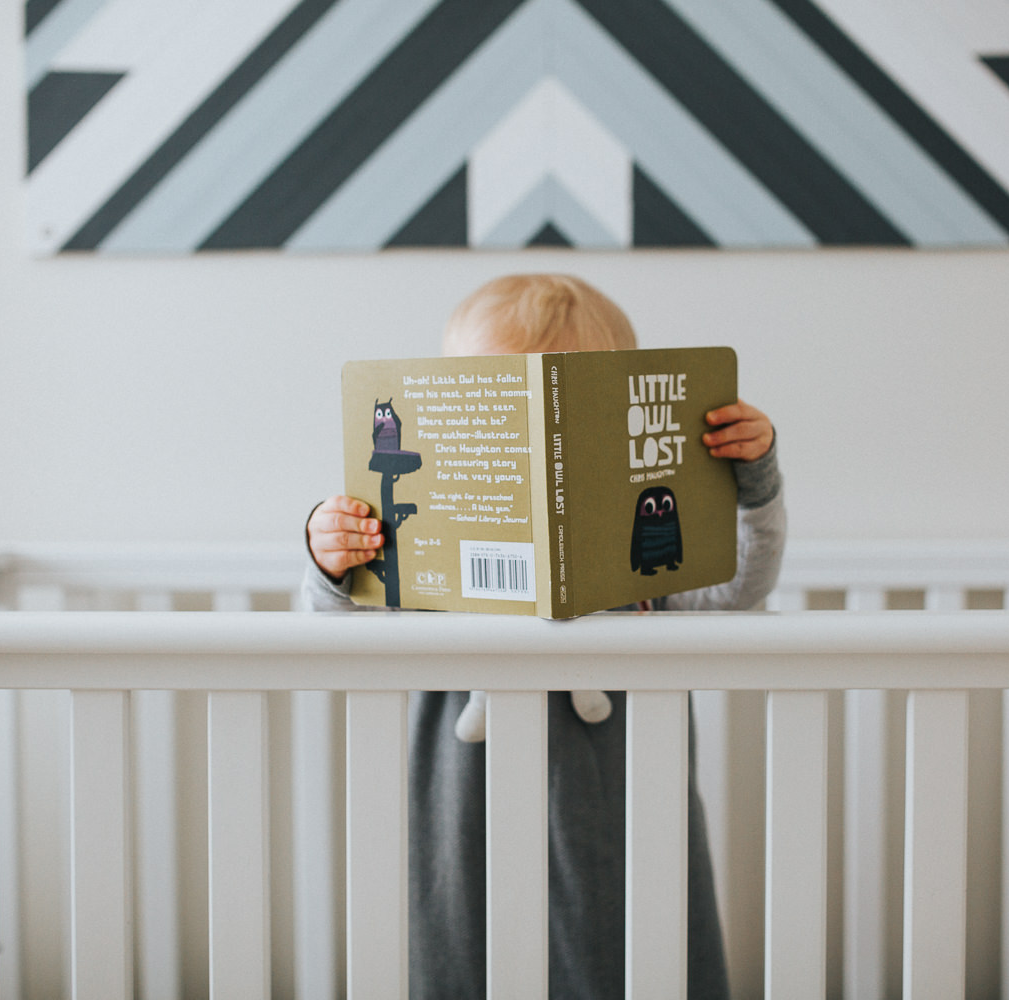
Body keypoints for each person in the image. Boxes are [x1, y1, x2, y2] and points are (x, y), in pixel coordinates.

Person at [301, 273, 786, 1000]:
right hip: (464, 797)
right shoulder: (420, 549)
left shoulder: (644, 556)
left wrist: (754, 479)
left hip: (623, 790)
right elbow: (333, 636)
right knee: (465, 938)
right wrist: (330, 558)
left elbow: (742, 587)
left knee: (629, 936)